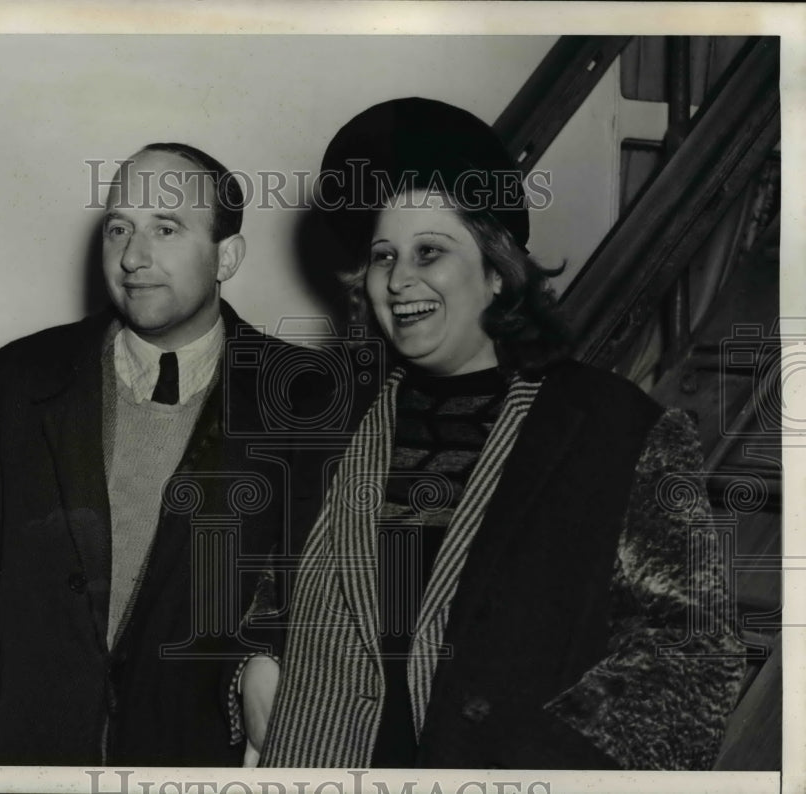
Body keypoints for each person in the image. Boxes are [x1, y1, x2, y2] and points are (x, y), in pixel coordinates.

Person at [252, 98, 747, 769]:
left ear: (495, 269)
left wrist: (534, 768)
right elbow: (261, 587)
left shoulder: (619, 430)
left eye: (431, 251)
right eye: (382, 256)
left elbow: (690, 655)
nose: (401, 280)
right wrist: (252, 664)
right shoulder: (326, 421)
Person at [0, 142, 289, 766]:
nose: (134, 257)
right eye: (120, 228)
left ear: (227, 255)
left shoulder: (303, 393)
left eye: (165, 229)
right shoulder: (23, 375)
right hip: (29, 758)